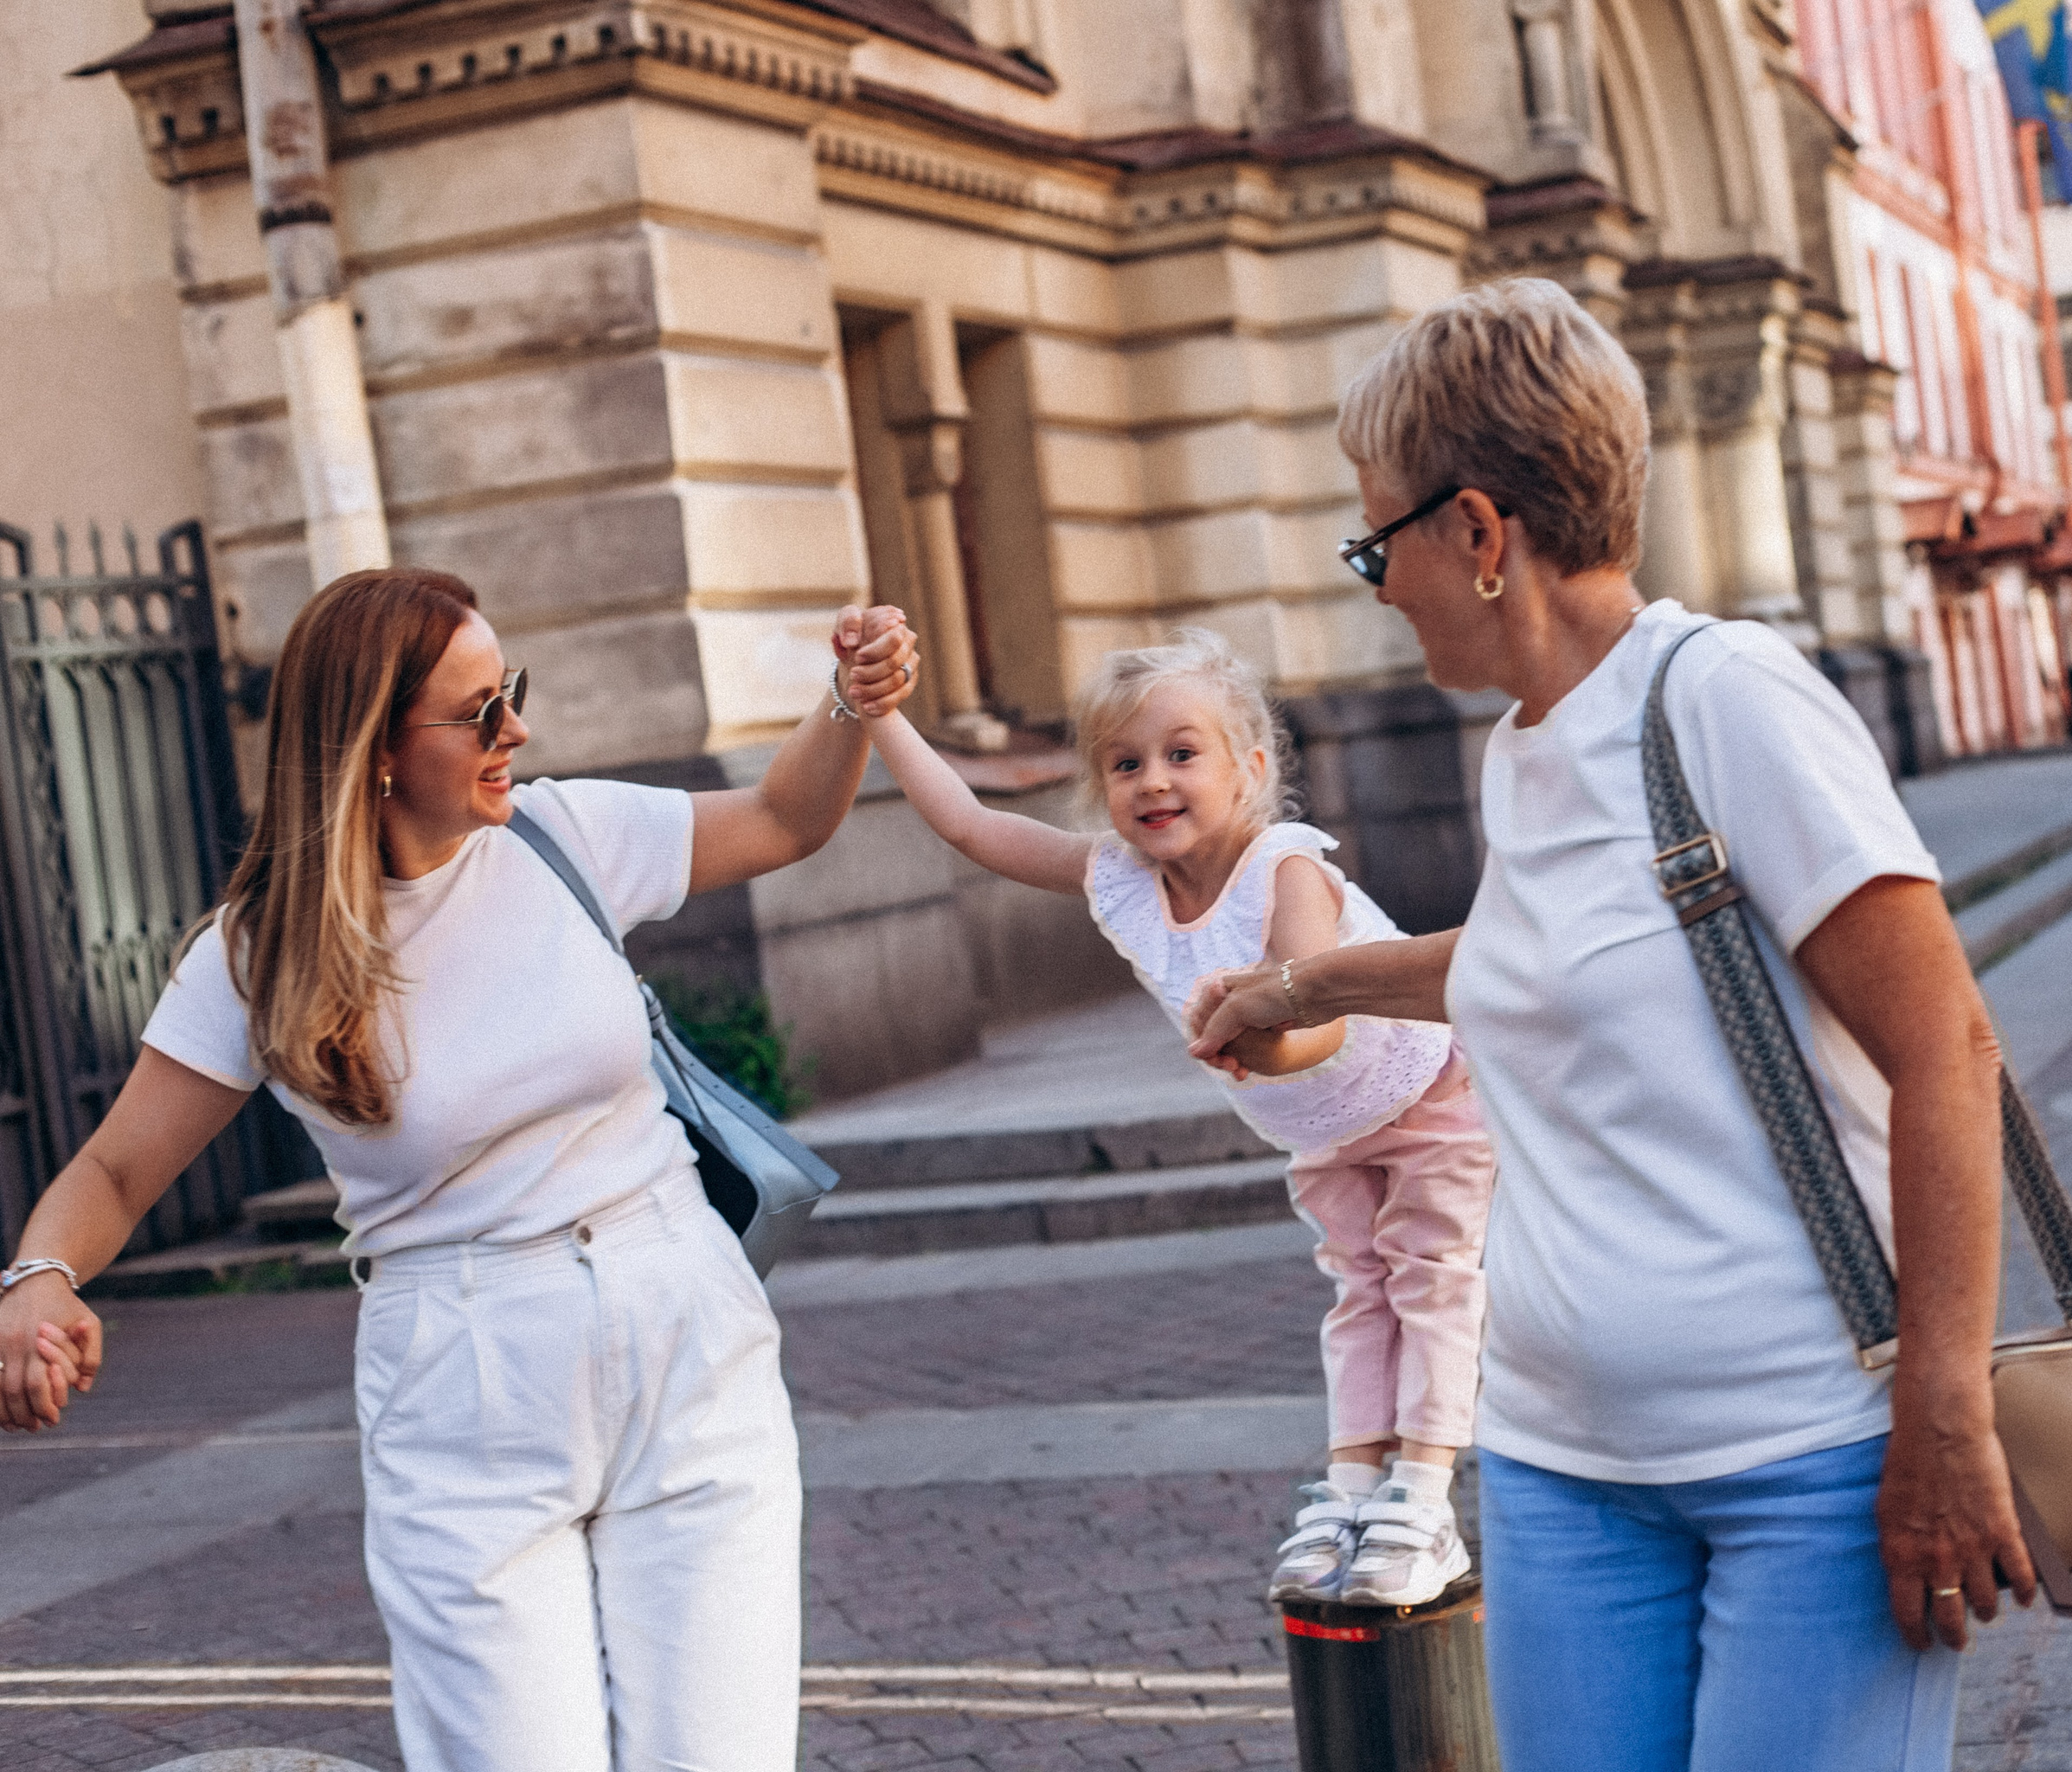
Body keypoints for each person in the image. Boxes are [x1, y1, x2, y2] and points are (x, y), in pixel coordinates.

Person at [1187, 280, 2037, 1770]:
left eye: (1377, 542)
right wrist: (1304, 988)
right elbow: (1542, 960)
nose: (1374, 585)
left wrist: (1947, 1416)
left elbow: (1947, 1051)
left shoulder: (1728, 698)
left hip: (1804, 1462)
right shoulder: (1523, 749)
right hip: (1561, 1468)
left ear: (1479, 531)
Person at [0, 568, 918, 1772]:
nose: (515, 731)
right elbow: (117, 1169)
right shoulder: (256, 953)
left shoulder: (562, 835)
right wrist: (40, 1275)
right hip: (465, 1373)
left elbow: (786, 818)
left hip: (684, 1320)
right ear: (375, 748)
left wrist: (849, 701)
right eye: (478, 711)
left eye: (510, 692)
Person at [864, 628, 1496, 1607]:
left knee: (1429, 1276)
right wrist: (881, 713)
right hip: (1322, 1127)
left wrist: (1262, 1051)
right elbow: (970, 825)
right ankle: (1351, 1489)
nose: (1153, 780)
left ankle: (1422, 1496)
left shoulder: (1284, 868)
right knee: (1359, 1290)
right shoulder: (1118, 879)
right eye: (1125, 764)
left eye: (1182, 753)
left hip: (1423, 1090)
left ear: (1250, 769)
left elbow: (1317, 1016)